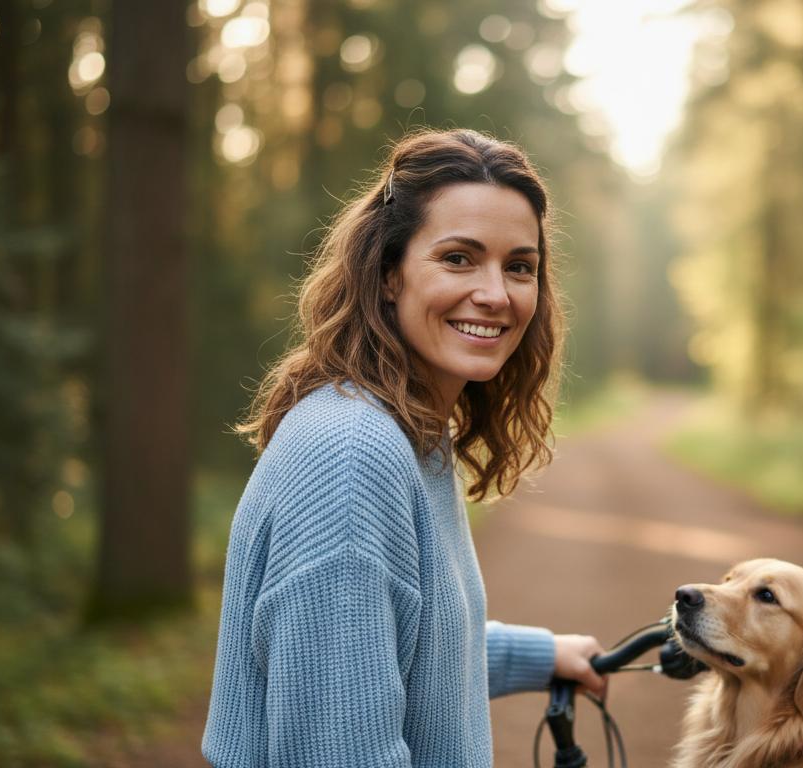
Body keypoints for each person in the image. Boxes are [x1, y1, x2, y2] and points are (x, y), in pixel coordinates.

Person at [202, 128, 606, 766]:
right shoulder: (351, 457)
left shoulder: (407, 429)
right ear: (388, 274)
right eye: (458, 258)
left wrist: (540, 655)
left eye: (519, 267)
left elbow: (400, 648)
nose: (496, 294)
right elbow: (339, 749)